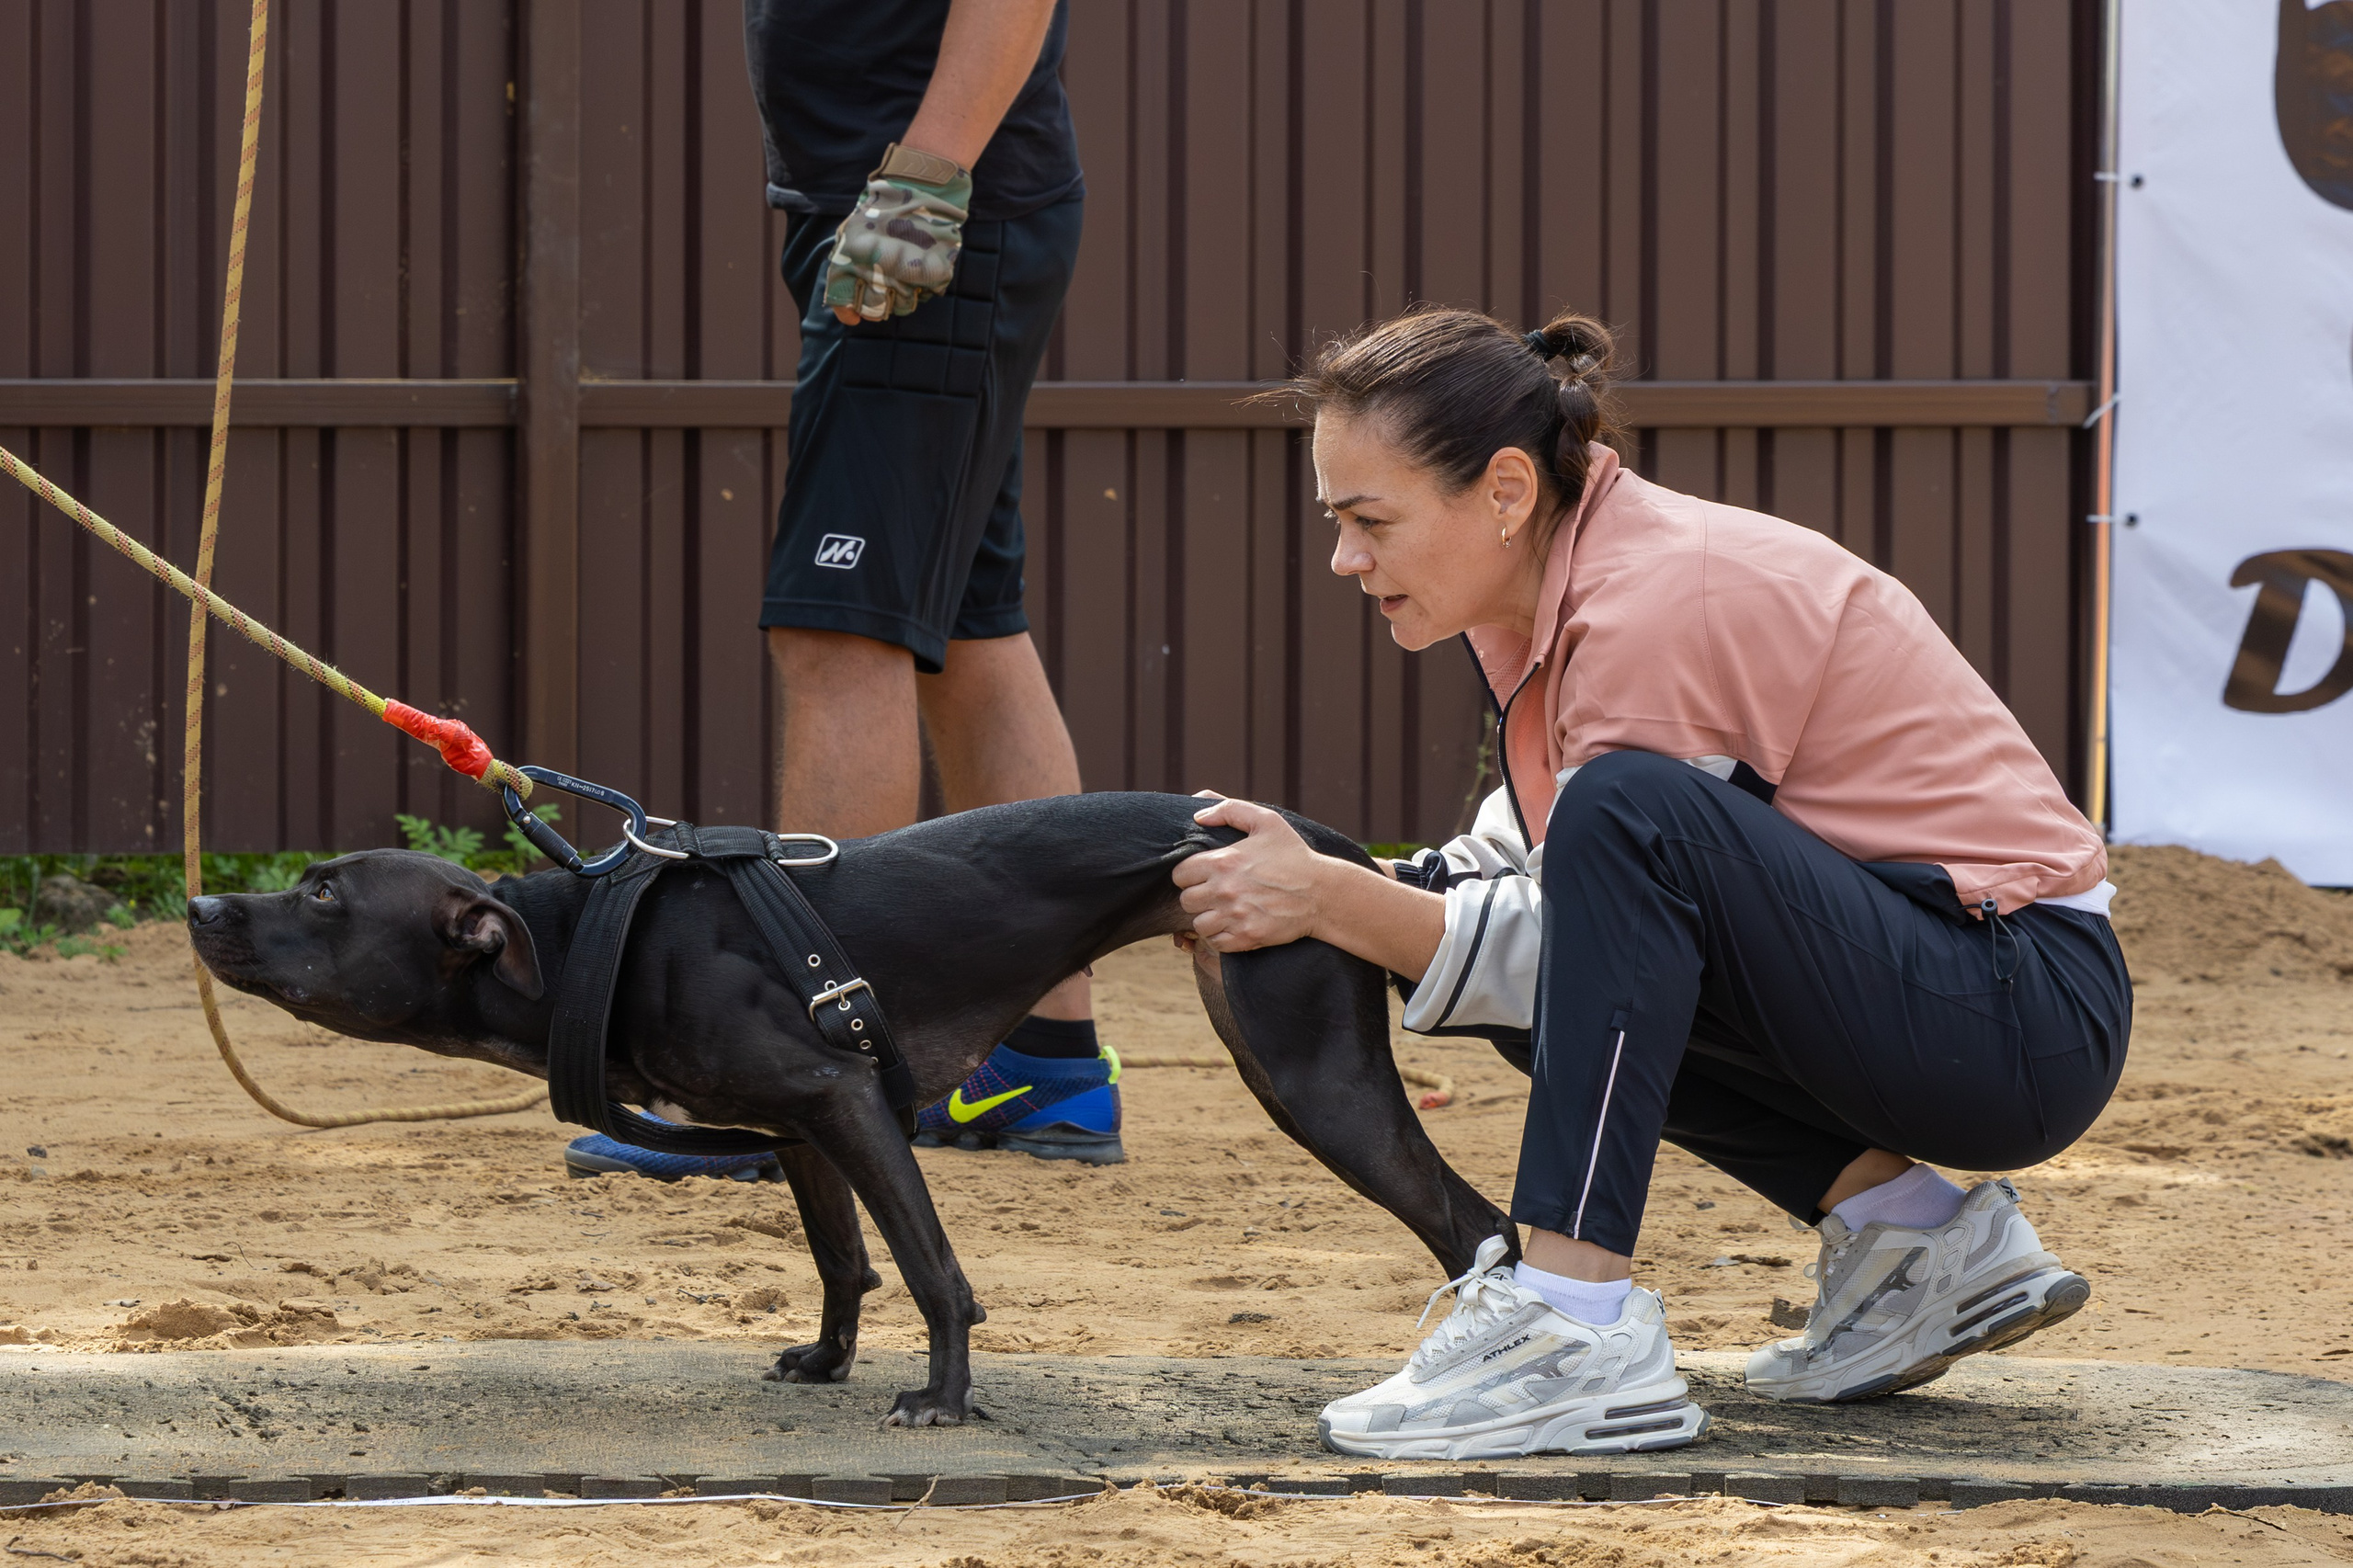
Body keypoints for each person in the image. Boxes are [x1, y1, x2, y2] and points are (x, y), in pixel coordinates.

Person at [1173, 307, 2129, 1460]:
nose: (1344, 559)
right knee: (1551, 992)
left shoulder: (1660, 599)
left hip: (2022, 1008)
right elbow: (1536, 869)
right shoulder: (1577, 582)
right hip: (1957, 990)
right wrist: (1344, 879)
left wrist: (1329, 899)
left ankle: (1570, 1324)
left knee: (1617, 846)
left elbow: (1599, 914)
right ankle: (1919, 1241)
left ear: (1507, 490)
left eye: (1369, 520)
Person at [563, 0, 1120, 1184]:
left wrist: (924, 179)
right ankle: (1047, 1061)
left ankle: (815, 1069)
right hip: (884, 201)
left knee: (838, 629)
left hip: (931, 206)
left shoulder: (928, 190)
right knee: (969, 626)